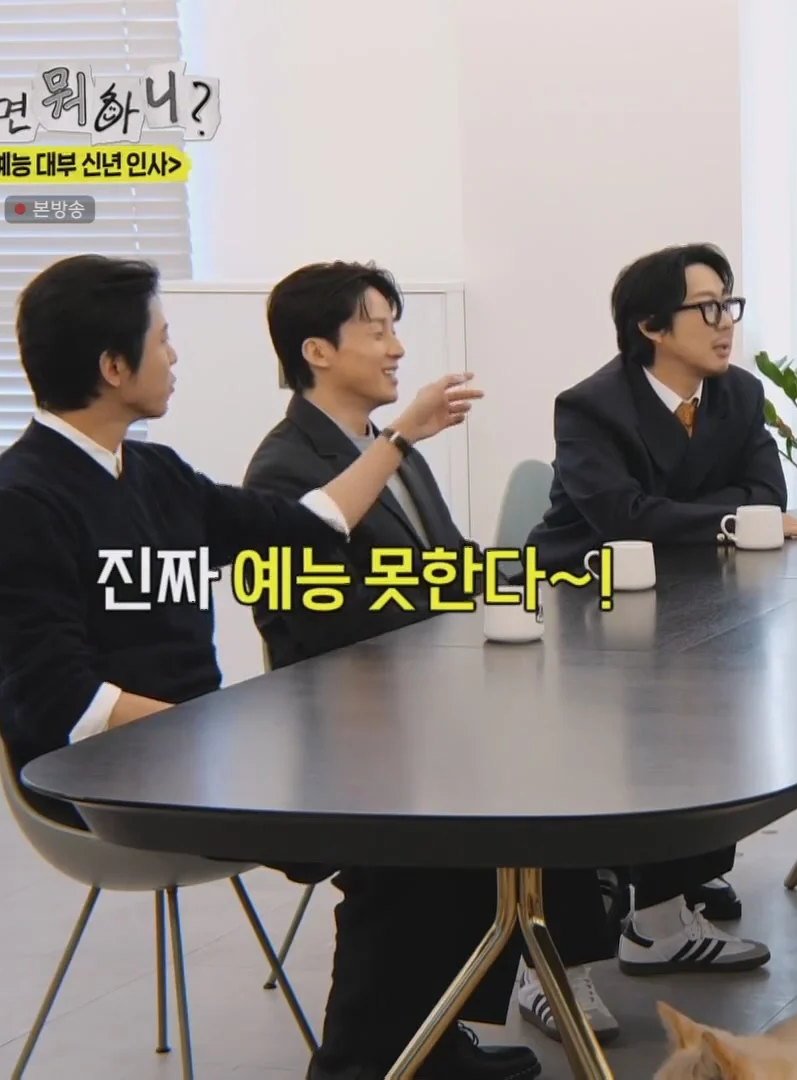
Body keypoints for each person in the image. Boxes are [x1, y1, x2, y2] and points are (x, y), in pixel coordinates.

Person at [0, 254, 539, 1080]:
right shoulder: (16, 504)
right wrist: (223, 736)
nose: (174, 356)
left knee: (445, 800)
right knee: (402, 821)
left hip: (196, 750)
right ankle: (369, 1064)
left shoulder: (154, 473)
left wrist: (401, 437)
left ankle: (420, 1048)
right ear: (113, 366)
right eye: (162, 340)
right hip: (104, 777)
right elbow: (64, 703)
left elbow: (304, 526)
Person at [240, 262, 622, 1052]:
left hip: (428, 707)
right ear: (317, 350)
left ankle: (452, 1029)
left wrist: (532, 583)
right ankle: (382, 1053)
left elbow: (442, 564)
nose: (397, 347)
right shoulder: (288, 466)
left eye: (395, 328)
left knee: (574, 751)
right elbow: (317, 615)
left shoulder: (392, 450)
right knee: (486, 808)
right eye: (377, 329)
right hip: (353, 728)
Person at [523, 242, 797, 978]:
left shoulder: (739, 394)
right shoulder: (592, 407)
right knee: (646, 733)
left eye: (730, 304)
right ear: (652, 326)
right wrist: (725, 516)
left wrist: (694, 516)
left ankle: (663, 908)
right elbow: (621, 517)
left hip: (696, 595)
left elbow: (769, 497)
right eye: (708, 308)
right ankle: (605, 920)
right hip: (583, 603)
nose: (726, 323)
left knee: (720, 721)